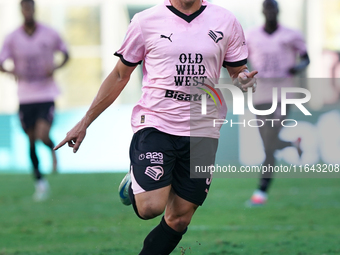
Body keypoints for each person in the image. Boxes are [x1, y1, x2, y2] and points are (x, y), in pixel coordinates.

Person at [54, 0, 257, 254]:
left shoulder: (226, 20)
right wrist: (84, 123)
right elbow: (120, 75)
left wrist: (245, 81)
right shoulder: (144, 21)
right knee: (150, 207)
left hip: (203, 130)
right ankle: (137, 180)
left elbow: (238, 71)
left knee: (179, 219)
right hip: (156, 123)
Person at [0, 0, 69, 201]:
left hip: (46, 94)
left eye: (30, 8)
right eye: (24, 8)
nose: (27, 11)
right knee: (30, 140)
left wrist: (55, 67)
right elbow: (2, 61)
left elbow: (65, 53)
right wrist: (9, 70)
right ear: (21, 10)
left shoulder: (49, 33)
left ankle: (52, 148)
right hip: (25, 95)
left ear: (34, 9)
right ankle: (40, 182)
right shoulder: (12, 37)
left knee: (42, 134)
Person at [245, 0, 310, 206]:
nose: (270, 12)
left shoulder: (291, 34)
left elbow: (306, 58)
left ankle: (261, 191)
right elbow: (240, 60)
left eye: (273, 8)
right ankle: (292, 144)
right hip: (260, 94)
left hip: (283, 94)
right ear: (263, 11)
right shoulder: (251, 35)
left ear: (278, 11)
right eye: (267, 8)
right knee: (267, 143)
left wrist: (297, 68)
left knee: (271, 138)